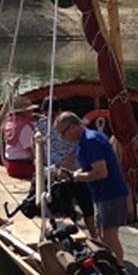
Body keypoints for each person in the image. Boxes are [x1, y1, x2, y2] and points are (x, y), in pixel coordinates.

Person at [56, 111, 129, 261]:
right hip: (101, 194)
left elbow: (101, 172)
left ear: (72, 127)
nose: (63, 138)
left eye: (63, 133)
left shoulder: (90, 141)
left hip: (110, 194)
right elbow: (91, 167)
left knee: (109, 237)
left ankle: (120, 271)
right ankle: (111, 268)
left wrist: (76, 176)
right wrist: (75, 173)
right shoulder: (86, 140)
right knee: (102, 235)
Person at [35, 98, 95, 234]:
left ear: (59, 111)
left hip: (71, 163)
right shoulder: (41, 124)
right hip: (52, 164)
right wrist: (40, 159)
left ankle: (93, 232)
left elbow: (83, 139)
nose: (51, 118)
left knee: (83, 196)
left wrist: (70, 158)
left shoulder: (68, 123)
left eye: (54, 114)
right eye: (47, 114)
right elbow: (37, 143)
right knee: (52, 190)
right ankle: (61, 221)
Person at [3, 97, 37, 180]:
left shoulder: (9, 123)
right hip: (22, 167)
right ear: (24, 112)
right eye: (30, 111)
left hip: (11, 164)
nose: (32, 113)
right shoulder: (24, 127)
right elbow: (31, 149)